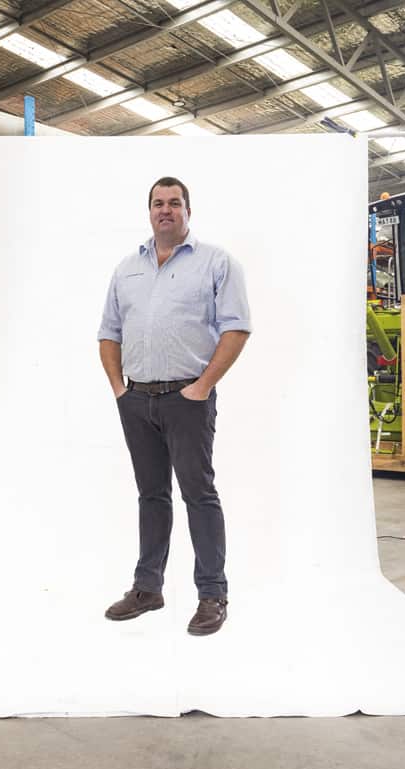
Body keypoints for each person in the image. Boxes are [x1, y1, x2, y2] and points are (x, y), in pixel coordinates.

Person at [96, 176, 251, 636]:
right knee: (151, 495)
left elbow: (237, 328)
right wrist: (118, 389)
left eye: (175, 203)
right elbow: (108, 332)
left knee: (199, 495)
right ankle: (148, 588)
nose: (166, 210)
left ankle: (212, 594)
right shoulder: (127, 268)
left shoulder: (216, 262)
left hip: (188, 399)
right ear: (149, 212)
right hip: (137, 399)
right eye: (158, 203)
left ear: (188, 210)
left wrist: (202, 387)